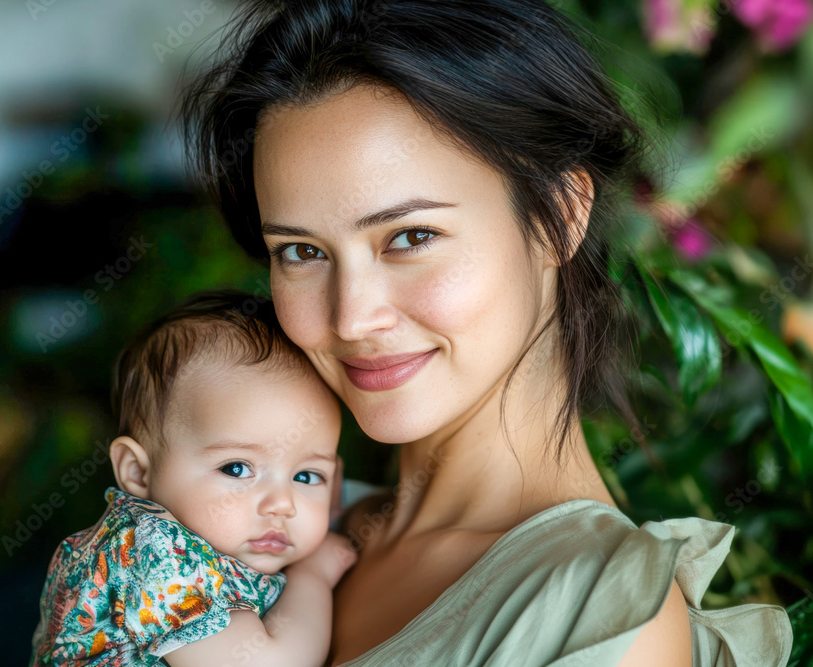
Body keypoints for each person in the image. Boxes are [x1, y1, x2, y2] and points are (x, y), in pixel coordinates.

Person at [178, 0, 795, 665]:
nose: (352, 317)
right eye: (301, 252)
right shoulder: (260, 525)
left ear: (559, 215)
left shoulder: (598, 616)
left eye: (411, 237)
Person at [29, 290, 357, 666]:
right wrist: (313, 577)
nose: (283, 504)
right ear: (138, 471)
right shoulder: (152, 550)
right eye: (236, 468)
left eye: (307, 475)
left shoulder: (219, 544)